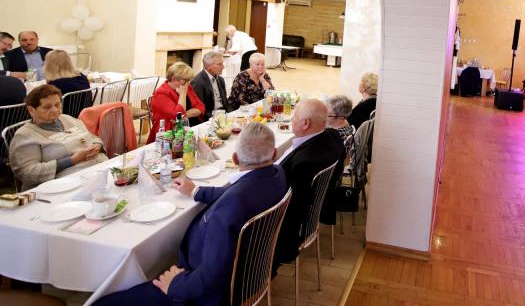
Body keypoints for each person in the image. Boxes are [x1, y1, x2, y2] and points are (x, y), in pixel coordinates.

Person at [95, 122, 288, 306]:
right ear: (274, 153)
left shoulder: (230, 207)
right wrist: (196, 191)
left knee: (103, 303)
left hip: (212, 293)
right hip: (254, 274)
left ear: (235, 159)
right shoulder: (277, 174)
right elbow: (237, 192)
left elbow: (212, 273)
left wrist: (175, 285)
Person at [273, 99, 345, 275]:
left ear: (305, 123)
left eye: (294, 117)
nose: (292, 120)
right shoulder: (332, 136)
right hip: (316, 209)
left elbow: (282, 199)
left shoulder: (303, 163)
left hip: (288, 226)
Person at [9, 85, 106, 191]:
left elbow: (93, 137)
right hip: (63, 186)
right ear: (31, 110)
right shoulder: (25, 135)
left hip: (97, 173)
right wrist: (72, 160)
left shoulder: (68, 119)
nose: (55, 110)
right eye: (47, 107)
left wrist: (97, 145)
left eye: (57, 104)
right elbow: (27, 173)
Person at [147, 62, 205, 144]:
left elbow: (200, 107)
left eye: (189, 80)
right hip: (169, 134)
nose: (188, 83)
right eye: (186, 80)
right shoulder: (161, 93)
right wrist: (183, 94)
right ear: (174, 79)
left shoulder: (186, 86)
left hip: (190, 127)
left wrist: (185, 115)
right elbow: (178, 114)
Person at [190, 51, 231, 120]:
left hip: (223, 114)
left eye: (222, 64)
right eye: (219, 64)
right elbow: (200, 109)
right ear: (209, 66)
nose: (223, 67)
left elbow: (225, 103)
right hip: (210, 118)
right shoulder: (197, 82)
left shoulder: (220, 79)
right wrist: (216, 118)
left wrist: (230, 114)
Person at [326, 95, 355, 162]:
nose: (324, 116)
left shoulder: (335, 136)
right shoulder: (345, 122)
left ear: (340, 117)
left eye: (327, 115)